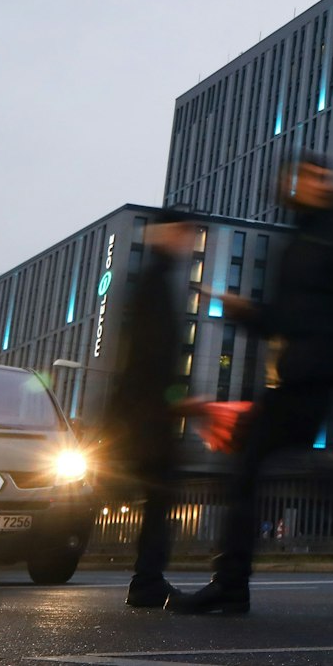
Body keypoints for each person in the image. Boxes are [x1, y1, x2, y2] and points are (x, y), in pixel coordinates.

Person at [169, 154, 333, 614]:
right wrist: (248, 312)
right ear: (290, 183)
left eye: (324, 176)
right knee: (287, 466)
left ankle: (232, 580)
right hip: (302, 371)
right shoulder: (302, 239)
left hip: (317, 372)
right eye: (309, 176)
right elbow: (289, 316)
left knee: (255, 466)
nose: (319, 183)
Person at [100, 211, 194, 608]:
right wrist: (176, 399)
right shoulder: (155, 283)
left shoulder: (156, 279)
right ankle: (147, 580)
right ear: (165, 234)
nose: (188, 241)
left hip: (138, 413)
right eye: (184, 233)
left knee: (135, 491)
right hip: (146, 416)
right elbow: (151, 356)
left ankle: (147, 578)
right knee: (156, 492)